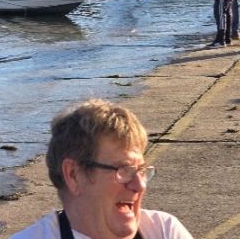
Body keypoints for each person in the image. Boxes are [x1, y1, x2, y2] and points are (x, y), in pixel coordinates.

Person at [10, 99, 194, 239]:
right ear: (73, 175)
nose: (140, 185)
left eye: (141, 170)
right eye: (124, 170)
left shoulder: (163, 231)